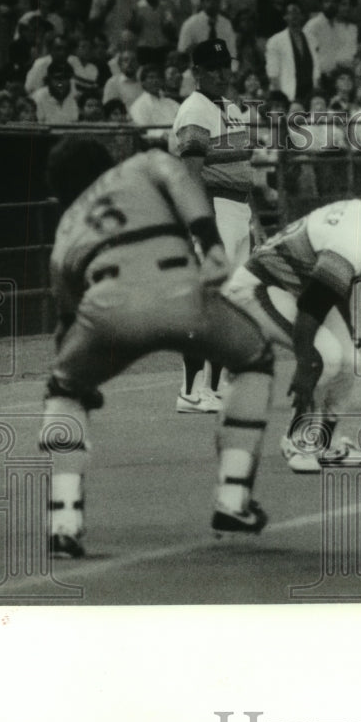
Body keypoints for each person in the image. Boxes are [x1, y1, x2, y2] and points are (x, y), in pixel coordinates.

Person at [39, 138, 277, 558]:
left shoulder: (65, 229)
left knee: (63, 393)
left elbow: (67, 320)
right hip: (181, 291)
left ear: (61, 191)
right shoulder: (142, 164)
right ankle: (234, 499)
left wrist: (76, 380)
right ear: (108, 161)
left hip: (107, 308)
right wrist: (212, 244)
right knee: (254, 358)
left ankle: (64, 520)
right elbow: (182, 180)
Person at [222, 163, 361, 473]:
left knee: (349, 358)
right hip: (255, 291)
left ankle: (326, 443)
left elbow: (334, 289)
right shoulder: (356, 237)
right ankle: (299, 440)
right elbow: (312, 306)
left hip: (294, 288)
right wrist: (307, 365)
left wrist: (346, 333)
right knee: (326, 355)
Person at [168, 38, 264, 413]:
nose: (224, 74)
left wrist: (253, 217)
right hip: (216, 212)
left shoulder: (230, 107)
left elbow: (242, 168)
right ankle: (190, 391)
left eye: (227, 66)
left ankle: (214, 385)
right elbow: (192, 176)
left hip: (237, 211)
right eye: (214, 68)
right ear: (197, 73)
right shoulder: (194, 110)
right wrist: (205, 229)